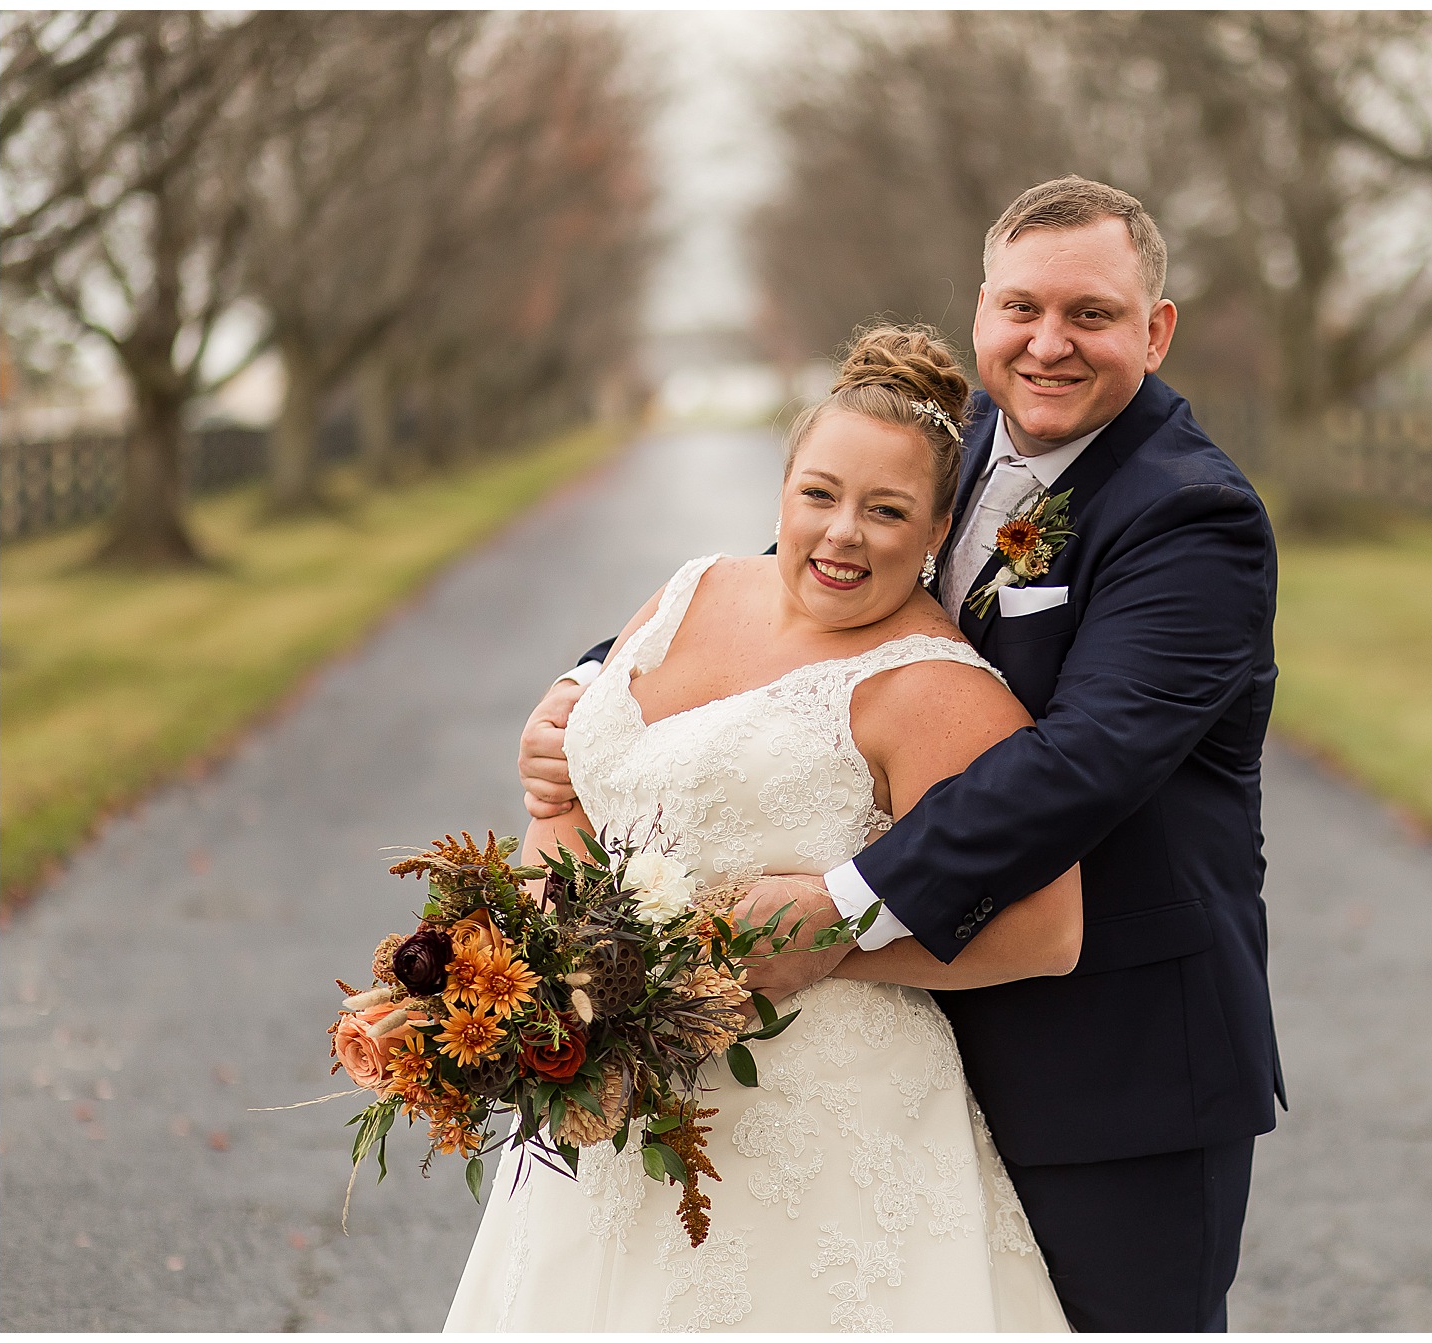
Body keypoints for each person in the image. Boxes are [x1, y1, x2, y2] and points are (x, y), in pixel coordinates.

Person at [520, 177, 1283, 1332]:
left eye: (1091, 313)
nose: (1049, 342)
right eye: (1021, 307)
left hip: (1111, 1062)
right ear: (982, 310)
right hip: (911, 1052)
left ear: (1155, 329)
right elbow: (801, 583)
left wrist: (839, 904)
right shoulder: (951, 442)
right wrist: (592, 684)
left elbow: (1082, 760)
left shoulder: (1191, 517)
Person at [446, 327, 1077, 1332]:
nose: (843, 534)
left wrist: (812, 945)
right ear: (782, 490)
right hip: (607, 1097)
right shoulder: (690, 589)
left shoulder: (936, 688)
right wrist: (542, 977)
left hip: (809, 1122)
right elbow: (576, 793)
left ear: (938, 528)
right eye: (819, 494)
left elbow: (1048, 931)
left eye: (887, 510)